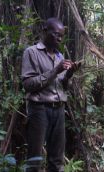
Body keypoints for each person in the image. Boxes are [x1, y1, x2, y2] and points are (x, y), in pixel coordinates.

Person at [21, 17, 78, 172]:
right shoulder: (31, 52)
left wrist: (68, 75)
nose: (59, 38)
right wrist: (55, 71)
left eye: (62, 35)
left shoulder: (60, 57)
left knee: (57, 160)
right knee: (35, 159)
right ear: (45, 31)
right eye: (56, 34)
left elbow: (63, 86)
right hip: (39, 109)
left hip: (59, 110)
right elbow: (28, 85)